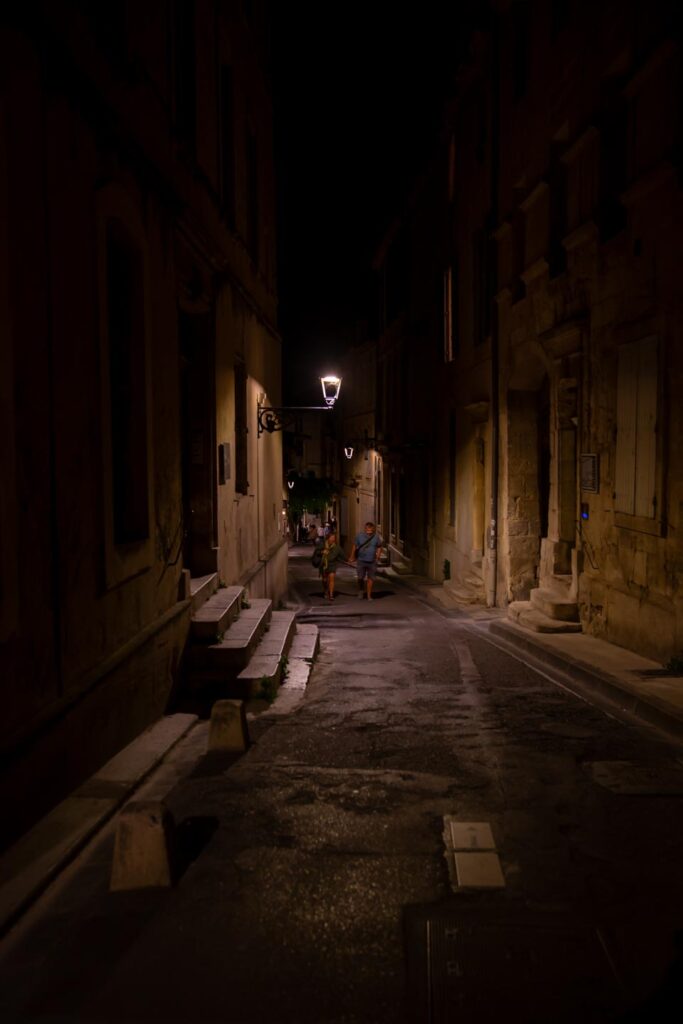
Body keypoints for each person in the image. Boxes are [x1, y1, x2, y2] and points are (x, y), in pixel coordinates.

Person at [350, 521, 383, 600]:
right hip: (361, 560)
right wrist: (352, 556)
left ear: (373, 529)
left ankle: (369, 595)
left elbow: (379, 547)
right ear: (365, 529)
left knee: (371, 579)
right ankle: (361, 590)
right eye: (368, 529)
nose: (369, 530)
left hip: (372, 561)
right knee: (360, 578)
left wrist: (377, 557)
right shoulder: (359, 536)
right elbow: (354, 546)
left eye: (371, 529)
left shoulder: (376, 537)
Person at [320, 531, 345, 601]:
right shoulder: (322, 545)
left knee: (332, 579)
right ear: (328, 538)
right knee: (324, 580)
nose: (333, 539)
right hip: (324, 565)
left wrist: (349, 559)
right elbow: (316, 552)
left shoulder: (337, 547)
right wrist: (322, 552)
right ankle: (325, 591)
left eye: (334, 538)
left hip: (332, 565)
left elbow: (343, 555)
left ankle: (331, 594)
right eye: (331, 538)